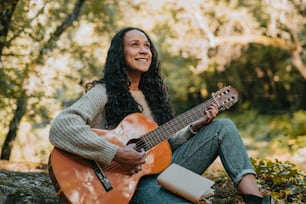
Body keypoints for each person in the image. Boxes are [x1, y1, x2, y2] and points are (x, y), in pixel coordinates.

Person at [49, 27, 271, 204]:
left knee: (224, 127)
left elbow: (160, 149)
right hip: (125, 183)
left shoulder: (152, 97)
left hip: (161, 170)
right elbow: (61, 127)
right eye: (135, 45)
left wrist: (194, 127)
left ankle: (254, 199)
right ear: (120, 54)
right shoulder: (104, 92)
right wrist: (116, 153)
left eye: (147, 46)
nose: (144, 50)